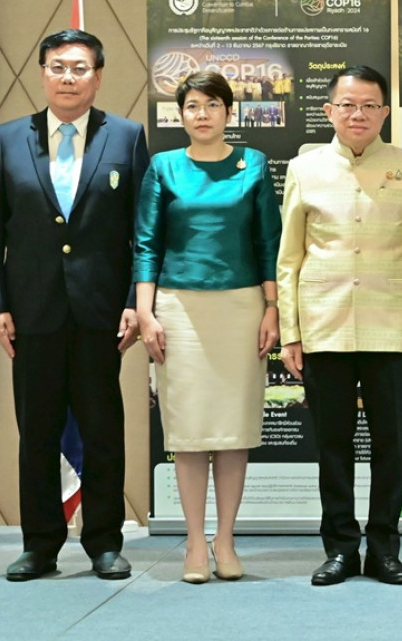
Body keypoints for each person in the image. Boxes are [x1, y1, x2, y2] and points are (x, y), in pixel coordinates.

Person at [0, 29, 148, 582]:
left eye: (79, 68)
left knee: (103, 431)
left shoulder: (126, 137)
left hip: (102, 312)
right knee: (37, 433)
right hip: (32, 312)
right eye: (57, 67)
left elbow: (142, 231)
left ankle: (104, 543)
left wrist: (134, 301)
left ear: (97, 76)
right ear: (42, 73)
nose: (68, 77)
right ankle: (40, 545)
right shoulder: (9, 138)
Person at [277, 65, 402, 586]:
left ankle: (384, 549)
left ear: (385, 112)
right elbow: (289, 259)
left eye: (370, 105)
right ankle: (341, 549)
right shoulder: (304, 169)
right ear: (329, 111)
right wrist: (290, 331)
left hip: (391, 328)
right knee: (332, 445)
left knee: (392, 445)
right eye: (347, 105)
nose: (358, 114)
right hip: (323, 326)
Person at [133, 71, 281, 584]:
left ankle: (225, 539)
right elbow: (147, 243)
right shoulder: (164, 166)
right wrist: (146, 312)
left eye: (212, 105)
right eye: (193, 105)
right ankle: (195, 542)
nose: (202, 114)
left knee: (233, 431)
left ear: (228, 112)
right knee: (191, 432)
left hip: (242, 307)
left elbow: (268, 241)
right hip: (178, 308)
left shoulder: (253, 163)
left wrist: (272, 308)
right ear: (180, 114)